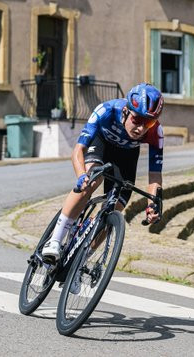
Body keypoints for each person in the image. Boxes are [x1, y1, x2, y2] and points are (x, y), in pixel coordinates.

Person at [41, 82, 164, 263]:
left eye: (149, 122)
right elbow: (77, 151)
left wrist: (153, 203)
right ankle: (55, 240)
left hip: (127, 157)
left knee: (115, 210)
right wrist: (82, 176)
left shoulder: (156, 132)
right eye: (137, 120)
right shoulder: (106, 110)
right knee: (92, 181)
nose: (141, 128)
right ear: (126, 111)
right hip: (100, 144)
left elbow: (155, 175)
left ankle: (81, 261)